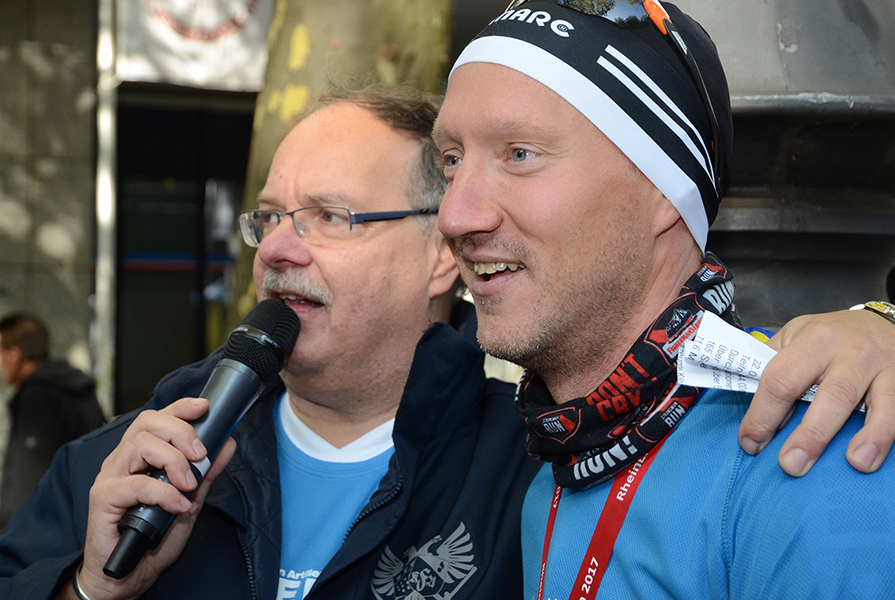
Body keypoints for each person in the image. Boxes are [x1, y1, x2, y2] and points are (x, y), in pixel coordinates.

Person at [0, 83, 892, 600]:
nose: (277, 249)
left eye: (331, 217)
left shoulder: (540, 469)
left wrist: (878, 327)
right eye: (268, 218)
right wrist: (90, 589)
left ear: (442, 250)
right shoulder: (122, 467)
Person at [434, 1, 895, 598]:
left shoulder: (814, 453)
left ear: (662, 192)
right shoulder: (559, 465)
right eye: (451, 160)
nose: (454, 215)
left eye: (519, 154)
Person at [0, 314, 105, 529]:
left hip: (46, 530)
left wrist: (9, 530)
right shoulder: (75, 388)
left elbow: (27, 477)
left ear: (15, 355)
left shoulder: (38, 396)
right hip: (86, 518)